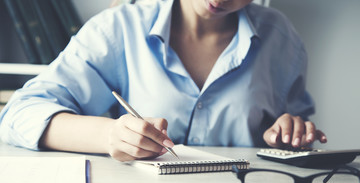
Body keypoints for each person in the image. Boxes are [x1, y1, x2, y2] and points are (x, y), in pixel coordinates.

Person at [0, 0, 327, 161]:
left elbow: (297, 137)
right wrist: (109, 135)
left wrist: (290, 134)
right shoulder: (120, 28)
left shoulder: (281, 39)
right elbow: (18, 114)